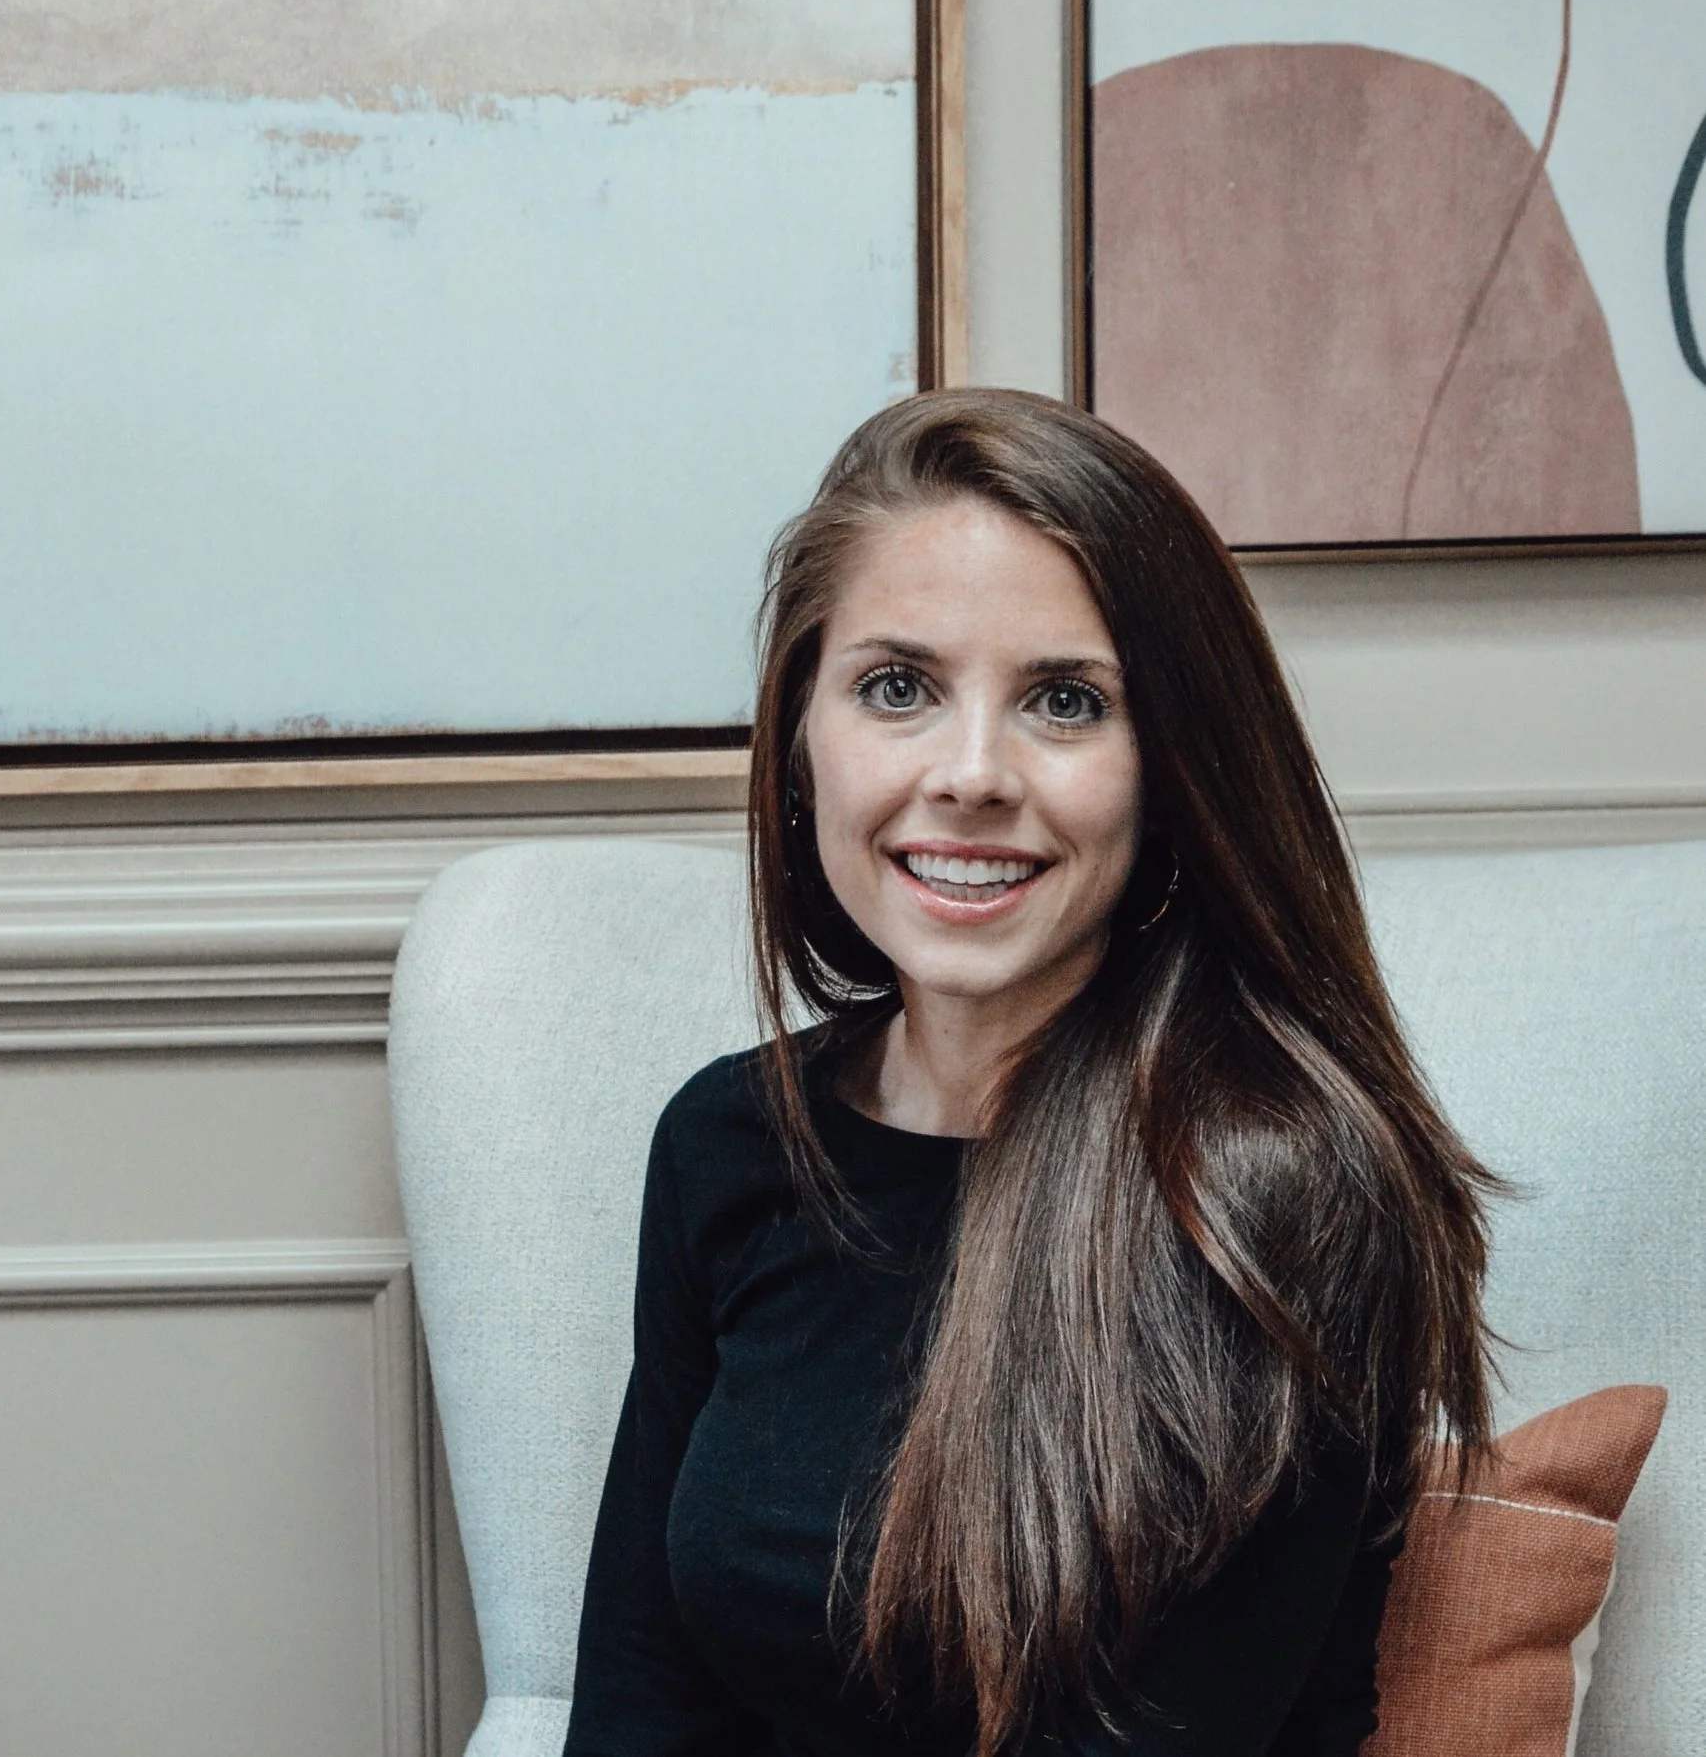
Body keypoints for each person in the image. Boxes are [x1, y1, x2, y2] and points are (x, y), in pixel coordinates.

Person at [562, 389, 1498, 1755]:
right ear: (801, 736)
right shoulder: (728, 1141)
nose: (971, 774)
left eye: (1064, 701)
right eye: (897, 688)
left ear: (1169, 771)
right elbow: (640, 1698)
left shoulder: (1282, 1194)